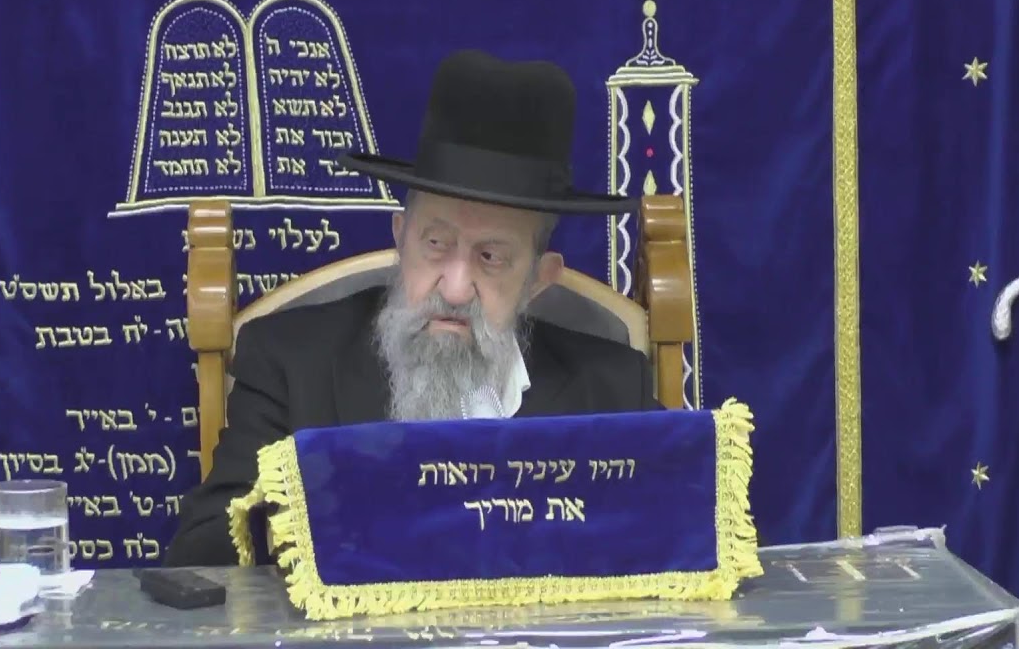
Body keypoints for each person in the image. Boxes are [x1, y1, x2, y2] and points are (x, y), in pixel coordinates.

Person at [165, 49, 660, 566]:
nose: (456, 288)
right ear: (402, 240)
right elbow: (203, 549)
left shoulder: (613, 389)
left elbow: (684, 531)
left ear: (538, 280)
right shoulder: (290, 362)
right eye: (436, 244)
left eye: (491, 258)